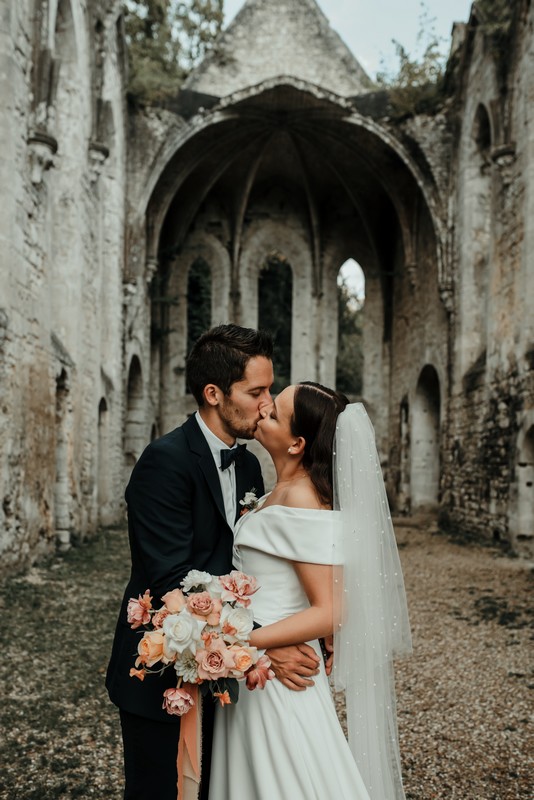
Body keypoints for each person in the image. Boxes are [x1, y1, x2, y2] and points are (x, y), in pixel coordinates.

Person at [106, 326, 323, 800]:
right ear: (213, 394)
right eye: (256, 391)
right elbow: (173, 583)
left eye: (270, 390)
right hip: (162, 668)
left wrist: (261, 640)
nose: (267, 404)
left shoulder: (247, 466)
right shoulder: (163, 462)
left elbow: (239, 571)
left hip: (224, 674)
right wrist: (264, 645)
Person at [209, 382, 412, 800]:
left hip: (280, 679)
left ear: (298, 443)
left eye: (276, 412)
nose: (264, 408)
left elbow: (331, 610)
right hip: (259, 671)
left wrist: (243, 642)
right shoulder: (277, 493)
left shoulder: (301, 499)